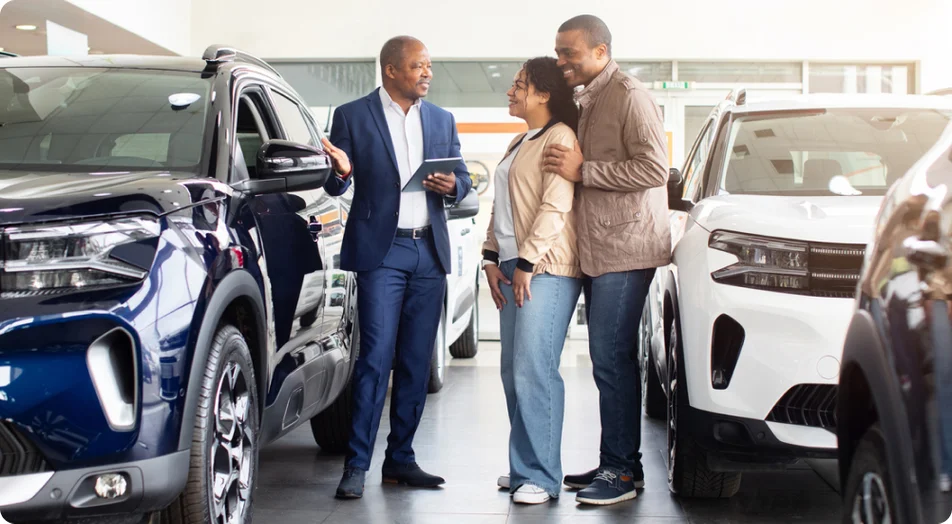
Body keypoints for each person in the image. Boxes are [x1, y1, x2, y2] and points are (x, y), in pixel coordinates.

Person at [319, 35, 473, 499]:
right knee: (375, 358)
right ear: (390, 70)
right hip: (380, 255)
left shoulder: (442, 119)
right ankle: (356, 465)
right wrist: (342, 171)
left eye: (428, 66)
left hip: (429, 252)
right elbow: (332, 185)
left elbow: (463, 181)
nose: (427, 73)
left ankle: (400, 460)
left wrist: (452, 186)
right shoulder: (352, 115)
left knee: (413, 362)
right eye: (417, 66)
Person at [543, 14, 672, 505]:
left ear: (600, 51)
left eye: (569, 53)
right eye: (557, 53)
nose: (561, 62)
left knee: (611, 360)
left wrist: (584, 170)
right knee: (608, 360)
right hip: (600, 248)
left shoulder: (629, 95)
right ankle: (622, 464)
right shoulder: (588, 97)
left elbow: (654, 168)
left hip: (626, 249)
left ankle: (618, 473)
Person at [481, 57, 582, 504]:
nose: (510, 91)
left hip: (546, 270)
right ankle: (524, 465)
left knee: (534, 370)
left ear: (543, 93)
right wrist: (489, 258)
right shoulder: (520, 141)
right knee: (512, 372)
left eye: (519, 85)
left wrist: (526, 262)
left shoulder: (559, 137)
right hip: (511, 268)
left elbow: (555, 207)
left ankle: (540, 475)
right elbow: (500, 208)